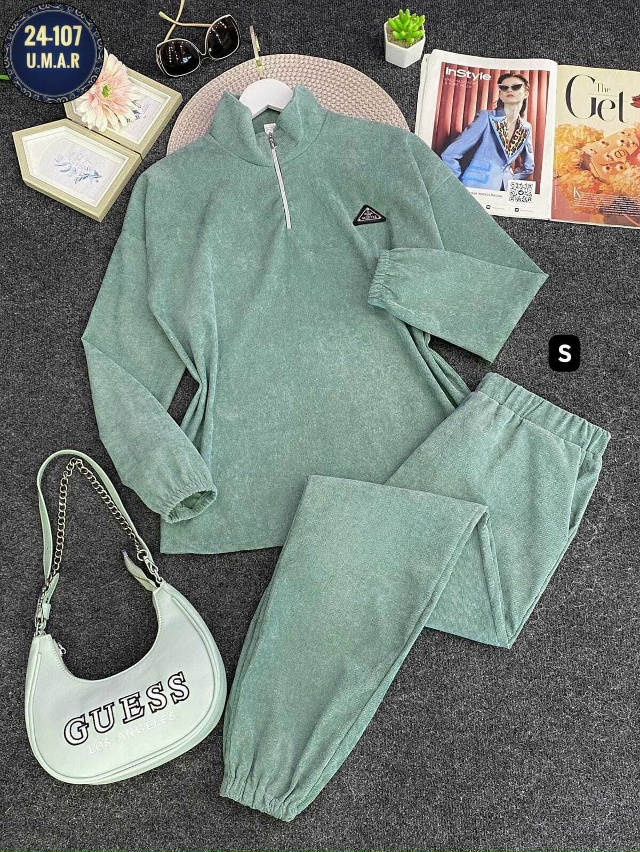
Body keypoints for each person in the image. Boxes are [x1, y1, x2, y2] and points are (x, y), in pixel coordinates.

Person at [440, 73, 535, 190]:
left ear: (526, 93)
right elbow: (449, 155)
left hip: (504, 189)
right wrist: (459, 186)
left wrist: (509, 178)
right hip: (475, 186)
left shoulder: (526, 127)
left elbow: (529, 167)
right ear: (500, 94)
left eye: (516, 87)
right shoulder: (486, 117)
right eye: (504, 87)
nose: (509, 90)